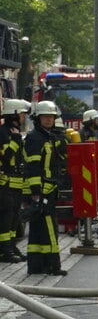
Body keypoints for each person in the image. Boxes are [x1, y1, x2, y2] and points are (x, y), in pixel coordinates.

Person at [23, 100, 68, 275]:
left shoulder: (48, 136)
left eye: (51, 117)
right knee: (50, 229)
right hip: (41, 191)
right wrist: (36, 194)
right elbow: (33, 168)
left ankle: (36, 266)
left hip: (46, 190)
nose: (49, 120)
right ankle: (53, 265)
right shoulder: (35, 138)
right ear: (38, 118)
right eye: (45, 117)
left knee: (37, 230)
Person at [0, 99, 29, 262]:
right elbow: (6, 157)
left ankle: (10, 245)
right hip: (5, 182)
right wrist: (15, 141)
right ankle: (4, 250)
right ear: (14, 114)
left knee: (14, 216)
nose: (24, 118)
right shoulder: (3, 133)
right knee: (6, 215)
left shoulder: (15, 132)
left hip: (17, 181)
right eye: (22, 114)